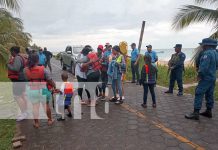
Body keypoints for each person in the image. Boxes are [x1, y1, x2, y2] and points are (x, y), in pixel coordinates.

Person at [185, 38, 218, 120]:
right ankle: (208, 111)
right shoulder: (216, 53)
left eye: (203, 45)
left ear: (206, 45)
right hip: (212, 77)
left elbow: (203, 67)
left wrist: (199, 75)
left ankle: (196, 113)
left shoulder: (206, 53)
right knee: (209, 93)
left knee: (199, 92)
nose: (202, 47)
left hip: (205, 77)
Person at [24, 52, 55, 128]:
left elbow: (26, 80)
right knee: (46, 105)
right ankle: (50, 120)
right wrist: (54, 86)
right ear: (37, 60)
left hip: (32, 89)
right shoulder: (43, 69)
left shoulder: (25, 70)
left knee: (35, 106)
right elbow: (50, 80)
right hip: (43, 89)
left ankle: (37, 123)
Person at [7, 46, 28, 121]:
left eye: (11, 51)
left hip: (18, 80)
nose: (10, 53)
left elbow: (16, 68)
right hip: (21, 79)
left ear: (13, 51)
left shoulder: (17, 58)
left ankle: (23, 113)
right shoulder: (20, 56)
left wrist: (8, 65)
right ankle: (25, 111)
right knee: (22, 96)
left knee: (17, 96)